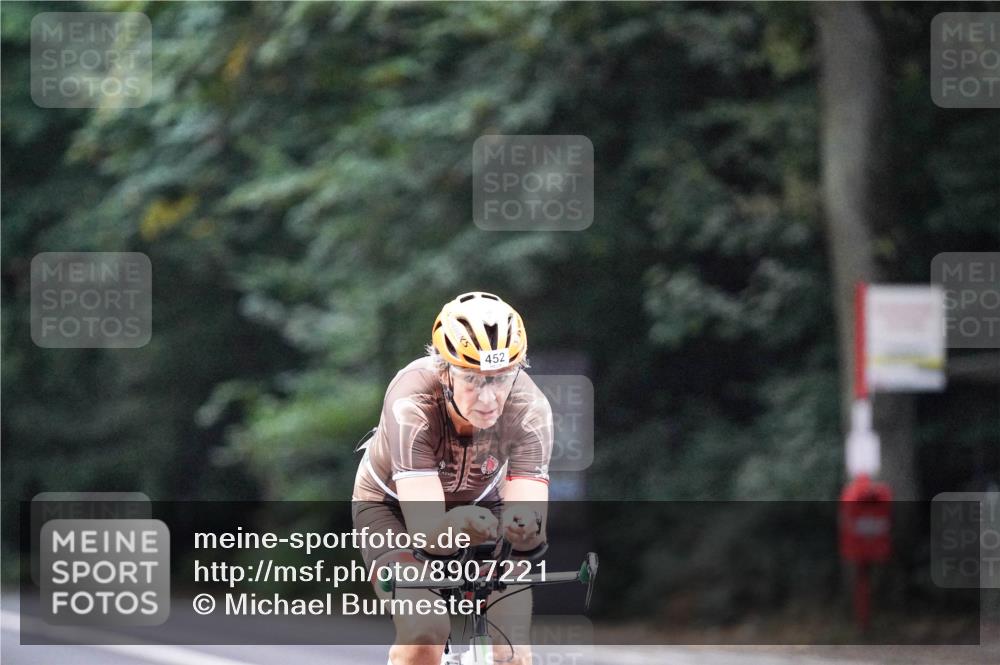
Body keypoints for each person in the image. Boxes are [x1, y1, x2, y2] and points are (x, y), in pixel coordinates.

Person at [352, 291, 553, 665]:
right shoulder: (411, 402)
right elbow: (427, 533)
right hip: (392, 508)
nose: (489, 397)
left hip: (484, 506)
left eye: (500, 378)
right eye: (472, 379)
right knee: (425, 634)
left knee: (511, 651)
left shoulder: (531, 409)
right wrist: (458, 523)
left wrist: (524, 525)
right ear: (444, 371)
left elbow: (530, 526)